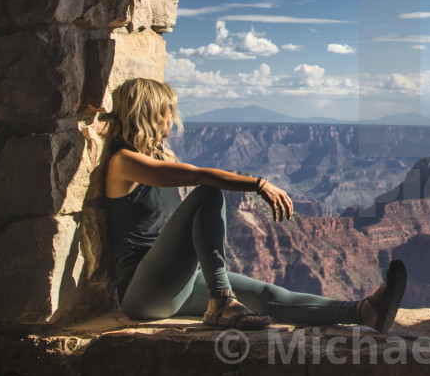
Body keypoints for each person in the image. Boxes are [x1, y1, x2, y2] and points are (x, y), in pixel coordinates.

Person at [102, 77, 407, 330]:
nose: (174, 117)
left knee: (267, 294)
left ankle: (366, 312)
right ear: (151, 113)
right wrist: (258, 184)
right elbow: (199, 176)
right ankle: (221, 300)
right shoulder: (123, 162)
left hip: (173, 283)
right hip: (143, 292)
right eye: (168, 110)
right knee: (207, 192)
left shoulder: (157, 156)